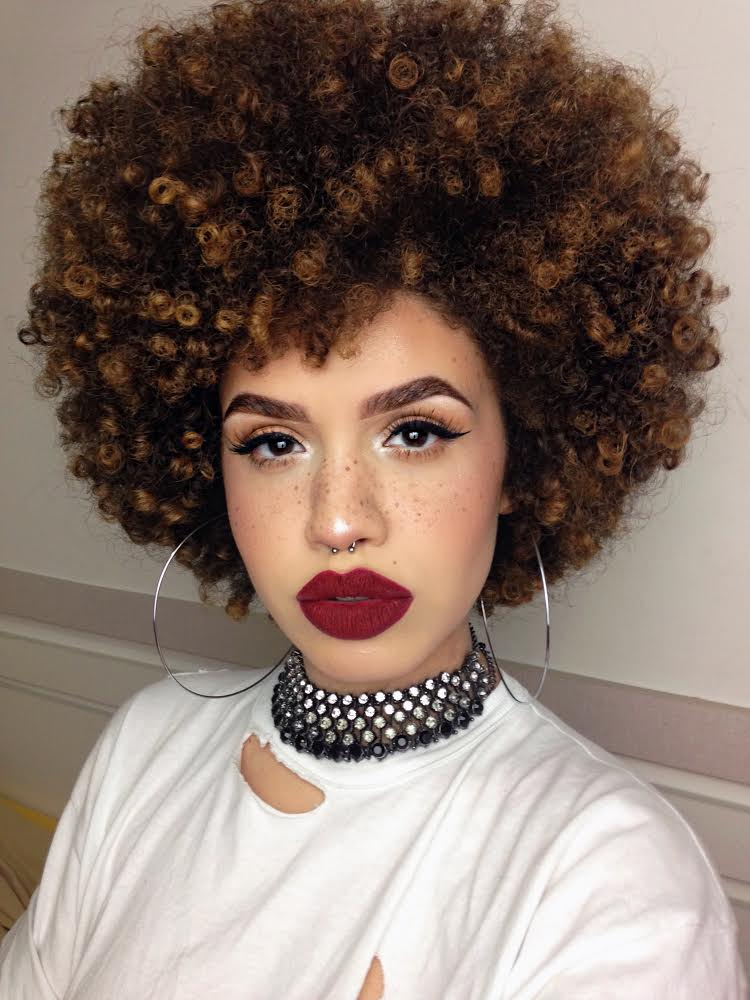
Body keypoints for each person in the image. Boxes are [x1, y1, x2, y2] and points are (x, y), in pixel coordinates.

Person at [1, 0, 746, 996]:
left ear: (523, 452)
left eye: (415, 432)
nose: (339, 520)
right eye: (273, 442)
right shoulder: (145, 744)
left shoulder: (609, 879)